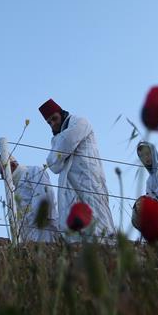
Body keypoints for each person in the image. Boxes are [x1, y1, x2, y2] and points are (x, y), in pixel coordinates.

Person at [39, 98, 114, 240]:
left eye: (54, 119)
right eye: (49, 122)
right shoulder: (56, 140)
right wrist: (58, 151)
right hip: (70, 188)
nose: (53, 124)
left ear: (61, 113)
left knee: (98, 218)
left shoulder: (80, 122)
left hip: (90, 180)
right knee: (76, 226)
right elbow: (54, 166)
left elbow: (67, 143)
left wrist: (57, 152)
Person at [0, 155, 58, 243]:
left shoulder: (34, 171)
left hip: (43, 231)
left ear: (12, 165)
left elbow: (45, 198)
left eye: (2, 172)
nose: (2, 177)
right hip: (29, 238)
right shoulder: (15, 190)